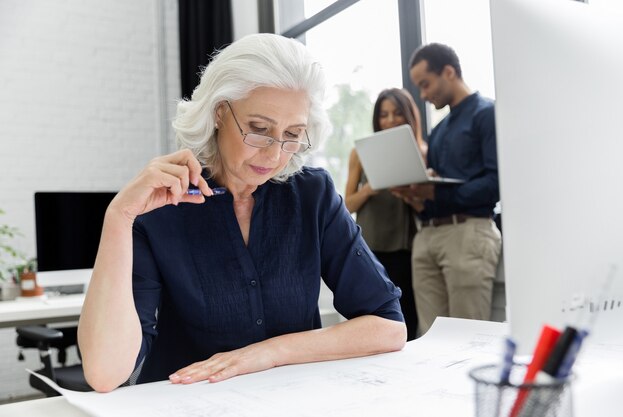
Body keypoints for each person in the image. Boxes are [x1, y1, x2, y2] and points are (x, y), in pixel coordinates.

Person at [77, 33, 407, 393]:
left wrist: (270, 352)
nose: (275, 154)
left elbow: (388, 326)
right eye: (259, 130)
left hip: (290, 402)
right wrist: (119, 216)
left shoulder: (312, 194)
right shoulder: (162, 206)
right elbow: (105, 373)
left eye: (293, 134)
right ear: (220, 113)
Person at [392, 43, 501, 335]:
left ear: (449, 72)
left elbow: (496, 184)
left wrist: (436, 193)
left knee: (470, 335)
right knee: (430, 336)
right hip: (428, 237)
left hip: (468, 234)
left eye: (425, 85)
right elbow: (435, 191)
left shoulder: (487, 114)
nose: (424, 95)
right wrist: (414, 194)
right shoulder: (438, 132)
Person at [344, 88, 425, 340]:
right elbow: (347, 204)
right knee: (371, 317)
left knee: (407, 319)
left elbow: (427, 206)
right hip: (370, 247)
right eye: (384, 114)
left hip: (406, 248)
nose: (390, 120)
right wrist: (370, 189)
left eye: (397, 113)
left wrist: (408, 193)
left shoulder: (422, 151)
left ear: (410, 115)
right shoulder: (361, 153)